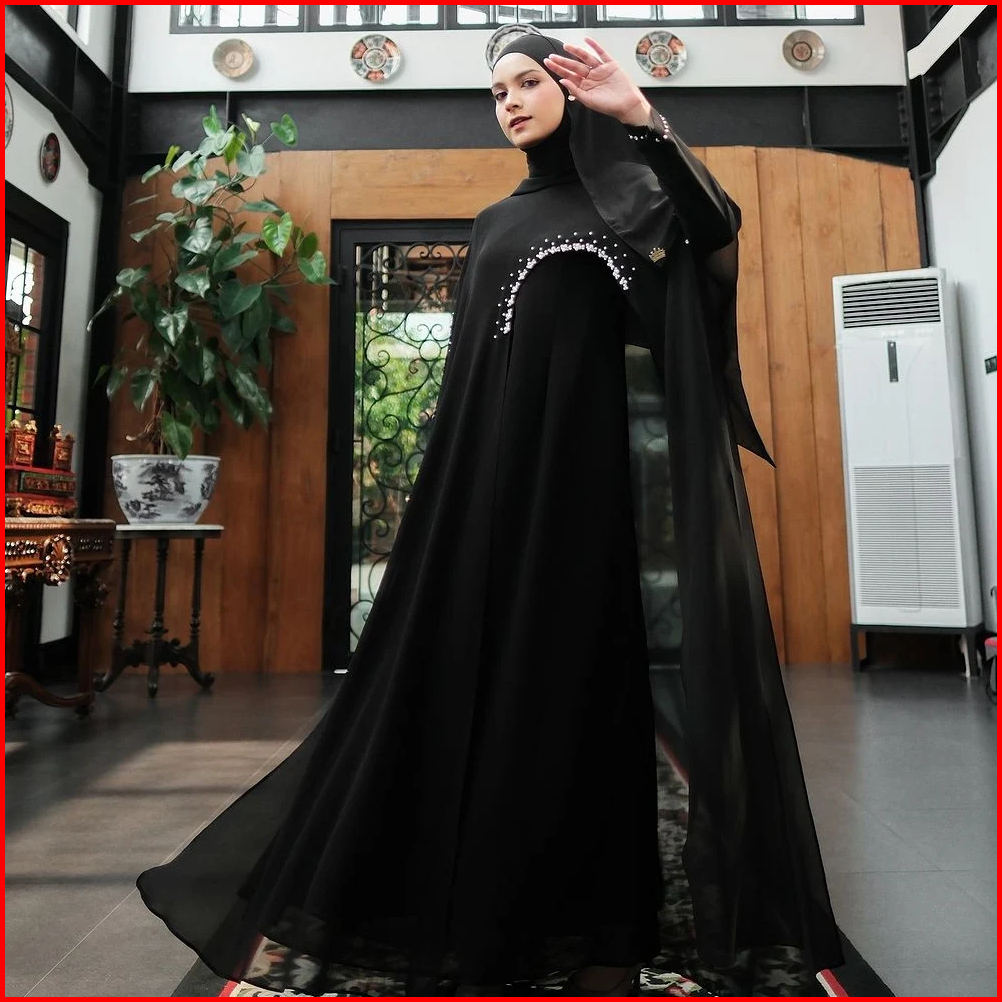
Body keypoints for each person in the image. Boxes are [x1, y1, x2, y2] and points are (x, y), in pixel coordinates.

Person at [137, 31, 844, 997]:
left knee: (578, 697)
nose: (509, 100)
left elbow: (716, 233)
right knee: (471, 688)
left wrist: (641, 117)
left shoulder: (634, 204)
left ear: (571, 91)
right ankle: (475, 901)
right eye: (497, 89)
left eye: (528, 82)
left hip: (586, 509)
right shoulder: (495, 223)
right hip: (482, 502)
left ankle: (593, 920)